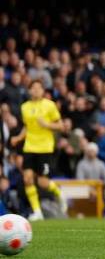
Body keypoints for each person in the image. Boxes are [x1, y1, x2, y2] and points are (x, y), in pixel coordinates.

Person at [9, 80, 66, 221]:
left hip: (45, 148)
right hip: (29, 147)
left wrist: (46, 124)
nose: (36, 90)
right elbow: (27, 127)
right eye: (33, 88)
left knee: (42, 182)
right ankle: (37, 212)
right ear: (29, 91)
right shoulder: (25, 107)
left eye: (38, 88)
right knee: (27, 178)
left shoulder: (50, 105)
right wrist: (18, 137)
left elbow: (61, 126)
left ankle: (60, 194)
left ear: (42, 90)